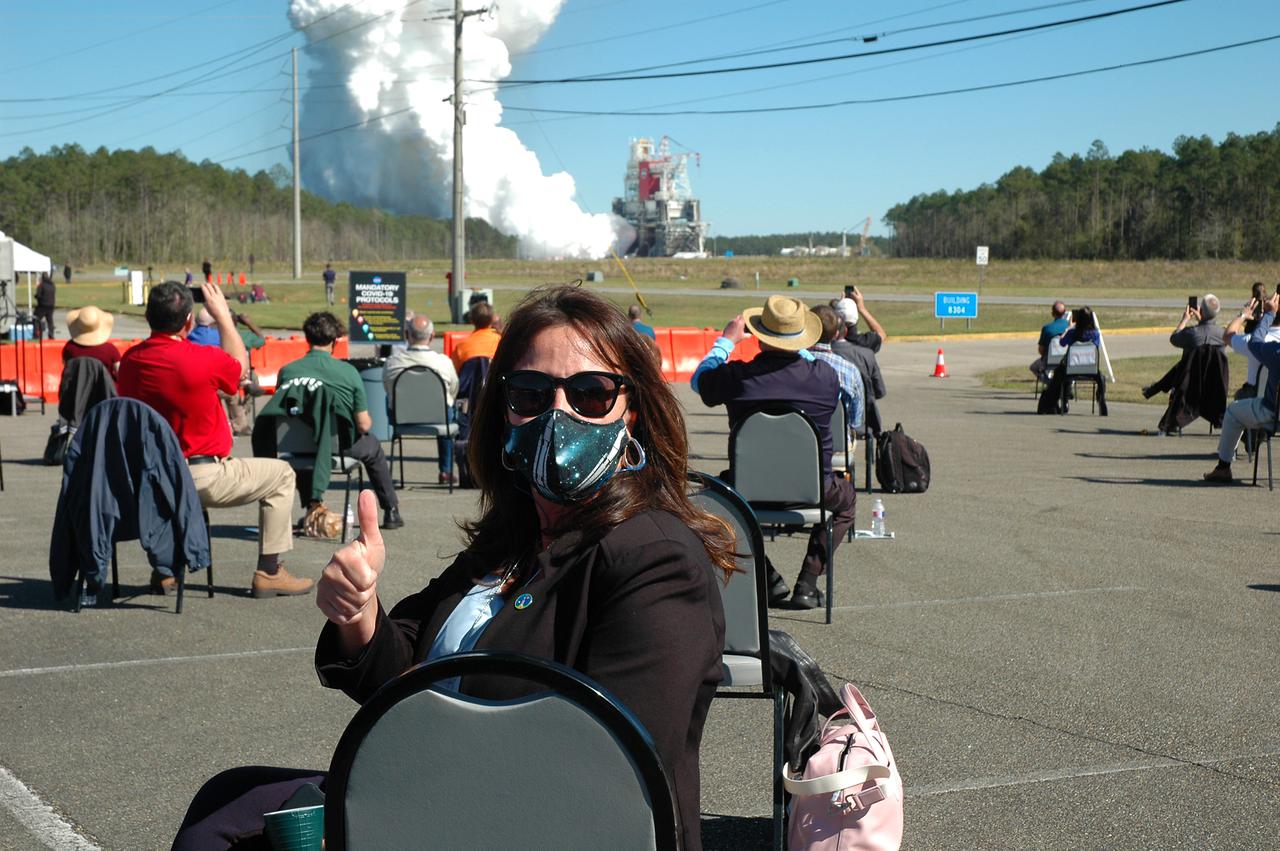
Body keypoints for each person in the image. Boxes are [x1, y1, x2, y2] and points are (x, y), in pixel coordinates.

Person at [170, 285, 731, 851]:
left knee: (223, 831)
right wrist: (360, 613)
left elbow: (613, 765)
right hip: (442, 794)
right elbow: (408, 663)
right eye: (532, 394)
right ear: (505, 410)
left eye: (590, 393)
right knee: (226, 799)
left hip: (531, 821)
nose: (559, 413)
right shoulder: (514, 537)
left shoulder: (654, 557)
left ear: (630, 409)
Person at [118, 281, 309, 598]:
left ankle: (166, 569)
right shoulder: (200, 359)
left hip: (148, 476)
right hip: (200, 474)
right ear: (188, 321)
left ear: (149, 318)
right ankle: (270, 571)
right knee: (282, 475)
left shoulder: (130, 361)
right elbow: (239, 371)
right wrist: (223, 316)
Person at [692, 295, 856, 610]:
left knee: (709, 502)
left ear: (759, 336)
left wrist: (726, 341)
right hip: (814, 489)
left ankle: (766, 577)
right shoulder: (824, 377)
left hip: (747, 489)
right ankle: (807, 582)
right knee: (846, 500)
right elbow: (807, 363)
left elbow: (700, 381)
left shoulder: (737, 377)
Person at [275, 312, 403, 529]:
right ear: (334, 341)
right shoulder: (347, 372)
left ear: (307, 338)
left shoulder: (287, 372)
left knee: (308, 441)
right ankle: (390, 509)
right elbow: (363, 424)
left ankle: (312, 509)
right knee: (372, 445)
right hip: (340, 446)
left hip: (296, 445)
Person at [1204, 294, 1280, 483]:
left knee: (1233, 412)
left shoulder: (1274, 349)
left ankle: (1223, 467)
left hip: (1271, 411)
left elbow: (1238, 338)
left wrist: (1263, 315)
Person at [383, 314, 460, 485]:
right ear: (432, 337)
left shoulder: (392, 363)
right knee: (449, 408)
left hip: (402, 418)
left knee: (388, 400)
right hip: (439, 417)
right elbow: (454, 391)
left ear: (406, 335)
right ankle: (446, 471)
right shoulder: (443, 362)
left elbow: (388, 390)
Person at [1142, 294, 1225, 400]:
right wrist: (1202, 321)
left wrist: (1184, 320)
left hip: (1189, 384)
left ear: (1201, 311)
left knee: (1183, 364)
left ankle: (1156, 388)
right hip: (1213, 384)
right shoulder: (1223, 334)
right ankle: (1156, 388)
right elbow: (1208, 332)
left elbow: (1174, 338)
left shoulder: (1193, 333)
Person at [810, 305, 865, 436]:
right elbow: (856, 421)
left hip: (800, 441)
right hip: (839, 445)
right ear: (836, 334)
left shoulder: (795, 365)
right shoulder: (850, 370)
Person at [62, 306, 120, 378]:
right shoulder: (110, 350)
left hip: (77, 388)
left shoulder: (70, 348)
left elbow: (66, 369)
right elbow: (119, 372)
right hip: (105, 388)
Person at [450, 300, 501, 370]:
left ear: (471, 320)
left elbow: (453, 372)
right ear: (492, 320)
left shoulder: (461, 347)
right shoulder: (500, 342)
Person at [834, 286, 888, 351]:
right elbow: (881, 334)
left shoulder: (831, 342)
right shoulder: (865, 342)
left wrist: (841, 304)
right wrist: (862, 308)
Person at [1029, 301, 1069, 379]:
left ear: (1052, 313)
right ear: (1064, 313)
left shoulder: (1047, 328)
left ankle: (1051, 385)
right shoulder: (1069, 327)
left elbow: (1041, 350)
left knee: (1034, 367)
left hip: (1050, 359)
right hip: (1067, 359)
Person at [34, 272, 56, 339]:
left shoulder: (41, 285)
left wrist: (36, 296)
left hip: (42, 305)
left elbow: (39, 295)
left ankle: (37, 334)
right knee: (50, 321)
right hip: (51, 305)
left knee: (36, 319)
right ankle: (51, 334)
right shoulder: (52, 285)